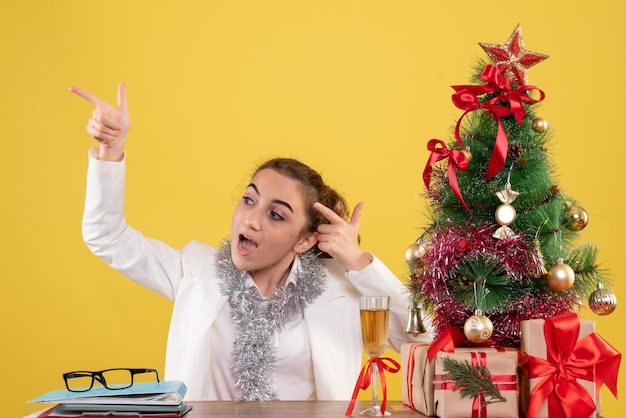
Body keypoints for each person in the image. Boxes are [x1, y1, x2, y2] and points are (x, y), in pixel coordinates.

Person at [71, 84, 429, 402]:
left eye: (276, 215)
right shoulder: (195, 269)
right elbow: (107, 237)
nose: (251, 219)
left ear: (305, 240)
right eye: (248, 200)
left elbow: (424, 341)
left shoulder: (340, 288)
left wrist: (359, 263)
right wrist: (110, 151)